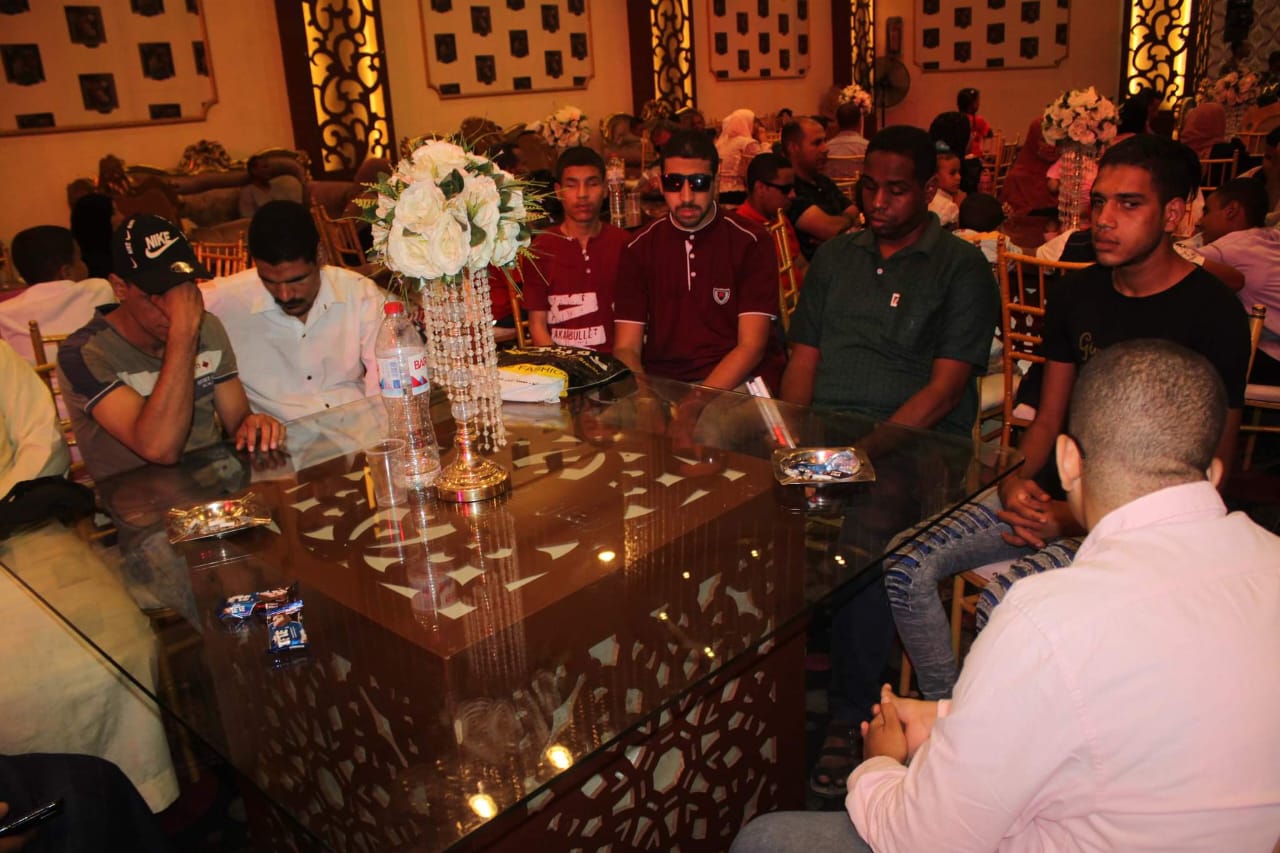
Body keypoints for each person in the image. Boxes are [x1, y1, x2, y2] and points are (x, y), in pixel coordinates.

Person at [733, 339, 1280, 853]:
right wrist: (949, 716)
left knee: (765, 838)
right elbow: (1121, 716)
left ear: (1067, 461)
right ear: (1213, 472)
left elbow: (924, 841)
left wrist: (878, 764)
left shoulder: (1047, 616)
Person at [882, 134, 1252, 703]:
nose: (1104, 219)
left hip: (1138, 525)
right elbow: (1048, 418)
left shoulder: (1213, 313)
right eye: (1099, 201)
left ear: (1174, 214)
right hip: (1056, 490)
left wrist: (1075, 518)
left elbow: (1213, 478)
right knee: (905, 561)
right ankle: (948, 712)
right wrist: (1015, 482)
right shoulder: (1078, 293)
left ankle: (1006, 730)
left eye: (1129, 204)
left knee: (1007, 601)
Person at [0, 340, 180, 815]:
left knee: (119, 646)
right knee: (14, 690)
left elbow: (42, 439)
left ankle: (139, 801)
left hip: (17, 523)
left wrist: (5, 501)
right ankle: (37, 813)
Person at [781, 125, 997, 436]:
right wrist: (793, 437)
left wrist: (858, 456)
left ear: (929, 190)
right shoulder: (834, 256)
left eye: (896, 191)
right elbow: (803, 361)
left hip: (919, 440)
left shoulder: (962, 267)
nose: (878, 202)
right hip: (826, 430)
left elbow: (945, 393)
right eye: (869, 187)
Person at [56, 215, 284, 482]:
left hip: (218, 489)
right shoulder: (84, 354)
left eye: (183, 291)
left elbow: (238, 422)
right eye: (157, 296)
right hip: (141, 501)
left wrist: (253, 425)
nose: (174, 310)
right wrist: (183, 334)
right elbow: (159, 448)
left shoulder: (207, 327)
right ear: (120, 288)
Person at [613, 130, 785, 392]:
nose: (686, 197)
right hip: (664, 382)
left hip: (739, 382)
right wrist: (645, 400)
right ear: (661, 184)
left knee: (713, 421)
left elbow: (751, 347)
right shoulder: (638, 247)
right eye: (674, 183)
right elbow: (627, 347)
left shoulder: (751, 241)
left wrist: (694, 404)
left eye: (698, 182)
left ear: (716, 182)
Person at [200, 200, 383, 421]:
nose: (285, 295)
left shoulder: (358, 292)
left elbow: (387, 378)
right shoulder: (225, 299)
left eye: (297, 280)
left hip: (359, 429)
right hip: (281, 437)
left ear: (320, 255)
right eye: (269, 281)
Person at [518, 146, 628, 352]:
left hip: (615, 363)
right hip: (560, 364)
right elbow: (537, 325)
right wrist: (560, 366)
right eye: (572, 185)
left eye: (592, 184)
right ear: (558, 191)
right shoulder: (541, 247)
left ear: (605, 189)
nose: (582, 194)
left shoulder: (624, 243)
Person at [1191, 178, 1280, 384]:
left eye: (1207, 212)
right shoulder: (1270, 238)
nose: (1199, 222)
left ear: (1231, 211)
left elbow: (1174, 257)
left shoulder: (1231, 247)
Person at [0, 226, 115, 363]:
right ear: (66, 272)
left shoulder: (4, 313)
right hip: (101, 375)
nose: (85, 265)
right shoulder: (98, 289)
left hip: (37, 377)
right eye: (80, 260)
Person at [783, 117, 860, 260]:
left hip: (845, 256)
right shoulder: (789, 190)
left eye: (825, 141)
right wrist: (847, 225)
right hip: (821, 267)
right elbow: (830, 229)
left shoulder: (822, 180)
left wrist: (839, 232)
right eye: (817, 143)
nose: (826, 148)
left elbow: (853, 209)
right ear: (793, 148)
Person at [732, 152, 806, 291]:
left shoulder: (778, 217)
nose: (793, 195)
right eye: (785, 189)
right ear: (761, 188)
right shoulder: (741, 231)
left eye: (793, 188)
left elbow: (800, 264)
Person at [999, 117, 1058, 215]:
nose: (1049, 146)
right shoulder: (1017, 179)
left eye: (1053, 140)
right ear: (1034, 139)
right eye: (1044, 140)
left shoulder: (1062, 170)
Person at [713, 108, 763, 201]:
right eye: (754, 122)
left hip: (718, 194)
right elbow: (763, 169)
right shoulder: (748, 143)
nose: (758, 127)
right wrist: (764, 142)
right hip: (738, 194)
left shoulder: (719, 143)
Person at [69, 192, 120, 279]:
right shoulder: (81, 270)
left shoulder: (120, 253)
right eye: (113, 213)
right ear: (98, 220)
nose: (121, 217)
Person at [824, 101, 869, 180]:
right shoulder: (867, 147)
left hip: (833, 187)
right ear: (860, 122)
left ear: (837, 123)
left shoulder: (826, 148)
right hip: (858, 187)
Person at [927, 148, 964, 228]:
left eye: (959, 172)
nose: (959, 177)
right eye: (952, 173)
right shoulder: (949, 207)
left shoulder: (927, 195)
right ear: (936, 176)